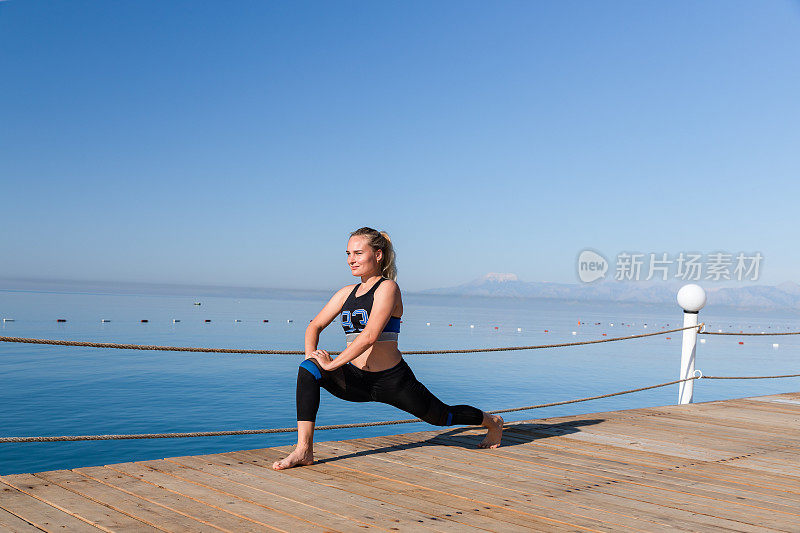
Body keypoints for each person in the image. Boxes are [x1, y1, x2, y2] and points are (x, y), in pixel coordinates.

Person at [272, 227, 504, 470]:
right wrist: (313, 355)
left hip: (393, 381)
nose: (352, 259)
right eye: (348, 253)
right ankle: (304, 450)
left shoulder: (388, 289)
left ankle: (492, 422)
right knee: (308, 369)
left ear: (378, 255)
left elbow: (370, 336)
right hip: (356, 380)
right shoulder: (344, 293)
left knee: (441, 416)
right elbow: (315, 325)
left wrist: (332, 363)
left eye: (359, 253)